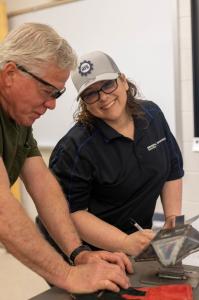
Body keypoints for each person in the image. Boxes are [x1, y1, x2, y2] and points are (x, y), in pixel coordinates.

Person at [0, 25, 134, 294]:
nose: (52, 105)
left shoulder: (18, 117)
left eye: (58, 94)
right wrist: (67, 274)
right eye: (48, 91)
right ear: (11, 74)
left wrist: (78, 253)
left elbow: (43, 185)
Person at [37, 50, 183, 258]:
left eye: (107, 85)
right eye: (90, 93)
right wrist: (123, 242)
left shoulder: (152, 115)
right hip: (84, 251)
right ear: (84, 102)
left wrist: (173, 218)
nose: (103, 98)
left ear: (123, 80)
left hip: (136, 241)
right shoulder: (74, 148)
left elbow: (172, 170)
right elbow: (70, 213)